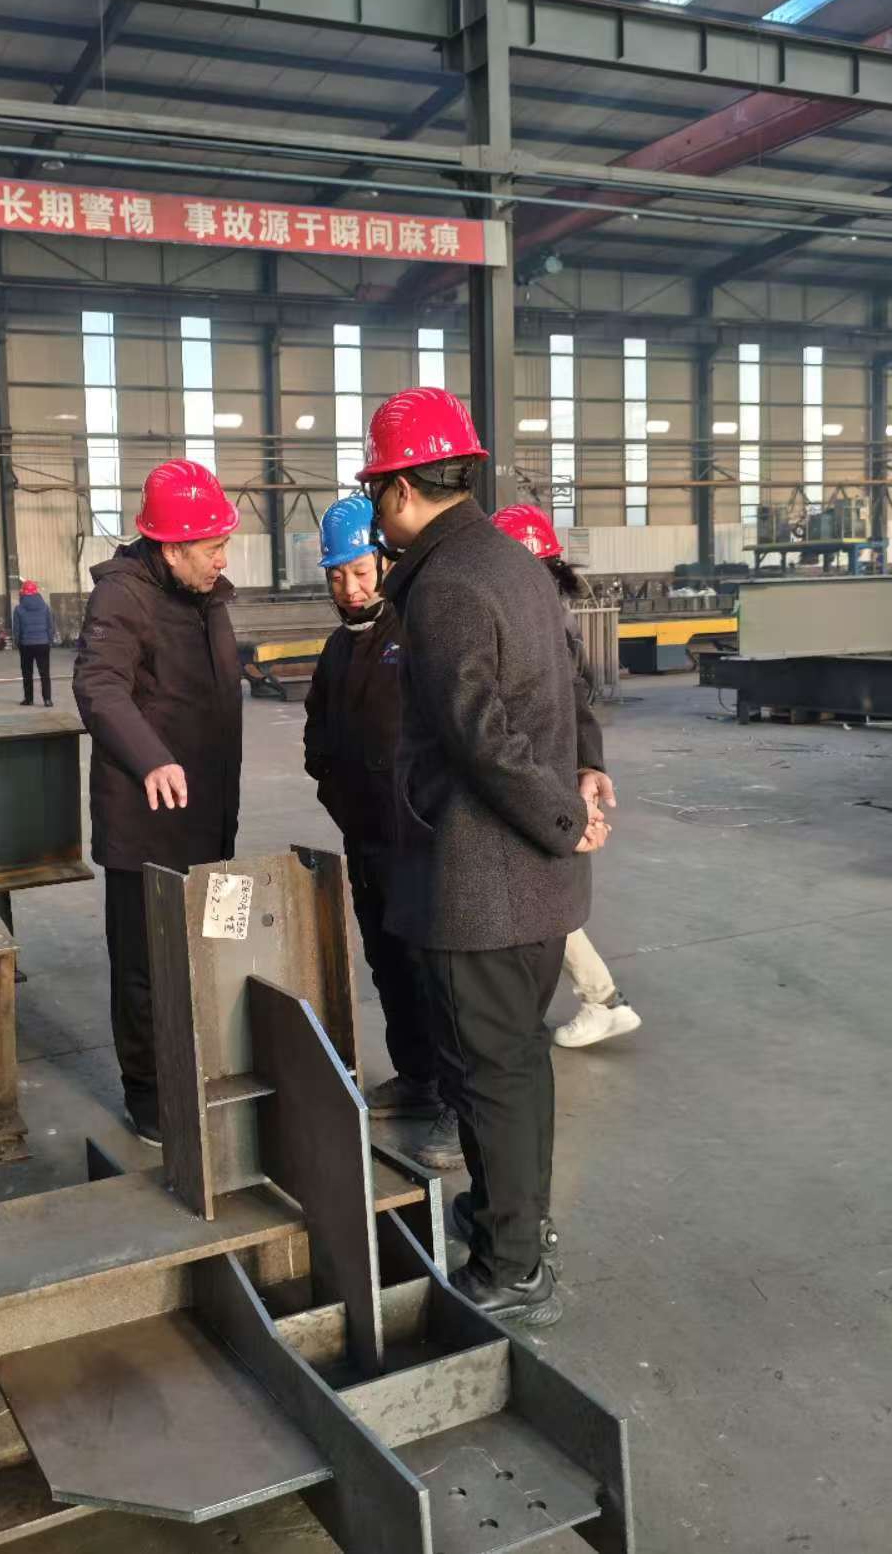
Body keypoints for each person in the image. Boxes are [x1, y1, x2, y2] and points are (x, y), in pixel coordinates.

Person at [358, 386, 610, 1328]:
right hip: (534, 886)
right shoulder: (511, 559)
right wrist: (583, 778)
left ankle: (514, 1266)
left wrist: (562, 815)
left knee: (488, 1073)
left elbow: (481, 737)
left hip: (483, 885)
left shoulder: (446, 585)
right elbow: (568, 684)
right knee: (513, 1064)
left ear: (397, 490)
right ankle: (515, 1220)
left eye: (376, 493)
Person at [73, 459, 242, 1145]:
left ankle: (204, 1068)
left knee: (209, 952)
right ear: (171, 548)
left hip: (209, 817)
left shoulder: (206, 595)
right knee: (146, 965)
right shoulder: (122, 597)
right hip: (144, 825)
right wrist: (152, 756)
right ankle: (148, 1096)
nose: (223, 559)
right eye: (212, 547)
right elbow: (99, 686)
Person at [303, 495, 461, 1171]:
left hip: (418, 841)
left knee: (436, 972)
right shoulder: (339, 649)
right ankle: (418, 1076)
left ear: (386, 563)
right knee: (389, 964)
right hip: (366, 840)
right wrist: (338, 791)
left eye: (360, 571)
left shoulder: (417, 633)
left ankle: (459, 1101)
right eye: (337, 575)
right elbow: (317, 734)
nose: (350, 587)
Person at [491, 503, 641, 1050]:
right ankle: (603, 999)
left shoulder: (541, 626)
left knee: (539, 900)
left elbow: (570, 705)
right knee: (542, 898)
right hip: (544, 776)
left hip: (535, 778)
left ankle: (602, 1000)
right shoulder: (550, 618)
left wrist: (584, 772)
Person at [13, 579, 55, 707]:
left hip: (26, 644)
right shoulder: (45, 607)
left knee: (27, 673)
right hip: (43, 643)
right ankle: (47, 699)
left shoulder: (18, 609)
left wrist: (18, 642)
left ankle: (29, 699)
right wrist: (49, 640)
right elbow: (50, 626)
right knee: (45, 673)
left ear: (23, 592)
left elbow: (17, 629)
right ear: (36, 592)